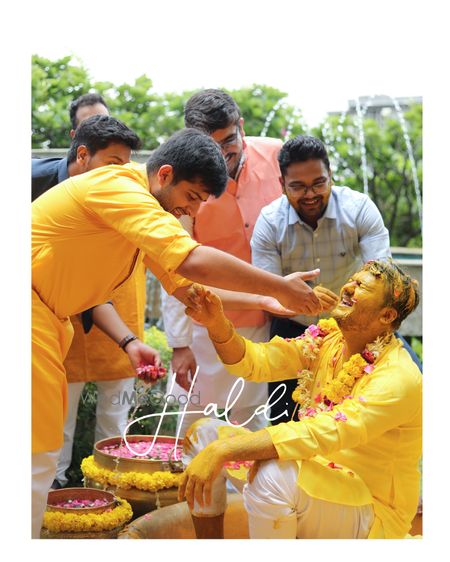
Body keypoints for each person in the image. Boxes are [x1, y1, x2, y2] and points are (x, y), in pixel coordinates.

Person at [32, 127, 322, 538]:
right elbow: (191, 261)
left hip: (46, 321)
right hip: (28, 313)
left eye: (200, 203)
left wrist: (263, 300)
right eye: (191, 197)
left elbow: (187, 287)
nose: (192, 211)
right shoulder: (121, 188)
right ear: (165, 174)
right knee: (35, 456)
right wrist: (278, 286)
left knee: (35, 454)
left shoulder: (145, 209)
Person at [178, 259, 422, 539]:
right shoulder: (327, 341)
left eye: (362, 286)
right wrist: (216, 324)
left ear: (387, 316)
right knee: (203, 435)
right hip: (311, 482)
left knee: (272, 475)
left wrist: (225, 450)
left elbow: (324, 431)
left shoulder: (398, 376)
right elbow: (256, 362)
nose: (348, 288)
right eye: (352, 280)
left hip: (371, 511)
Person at [250, 134, 420, 423]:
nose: (310, 194)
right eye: (298, 187)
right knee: (284, 422)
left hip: (359, 327)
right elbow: (268, 294)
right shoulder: (269, 222)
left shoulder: (359, 208)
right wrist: (298, 299)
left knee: (416, 383)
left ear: (330, 175)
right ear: (282, 184)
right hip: (294, 326)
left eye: (318, 183)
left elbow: (383, 276)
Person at [33, 114, 161, 490]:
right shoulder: (32, 181)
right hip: (40, 316)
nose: (121, 175)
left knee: (110, 422)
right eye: (113, 164)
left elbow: (92, 287)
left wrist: (129, 341)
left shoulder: (125, 197)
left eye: (126, 166)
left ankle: (104, 495)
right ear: (82, 153)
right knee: (45, 432)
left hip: (98, 310)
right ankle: (51, 492)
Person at [161, 89, 283, 435]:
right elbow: (173, 262)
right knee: (193, 424)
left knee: (253, 424)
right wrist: (180, 344)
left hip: (265, 321)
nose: (222, 152)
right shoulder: (183, 180)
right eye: (210, 145)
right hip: (205, 320)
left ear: (241, 127)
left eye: (229, 140)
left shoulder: (277, 156)